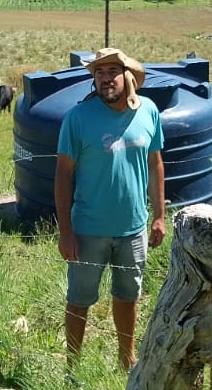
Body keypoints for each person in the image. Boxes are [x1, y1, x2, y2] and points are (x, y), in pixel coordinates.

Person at [54, 47, 166, 370]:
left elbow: (156, 164)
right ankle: (71, 367)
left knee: (128, 295)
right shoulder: (77, 119)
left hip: (133, 228)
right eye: (98, 74)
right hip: (88, 230)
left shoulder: (149, 112)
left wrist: (159, 216)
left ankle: (126, 361)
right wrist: (66, 232)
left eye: (111, 73)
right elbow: (63, 176)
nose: (105, 80)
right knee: (79, 299)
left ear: (127, 75)